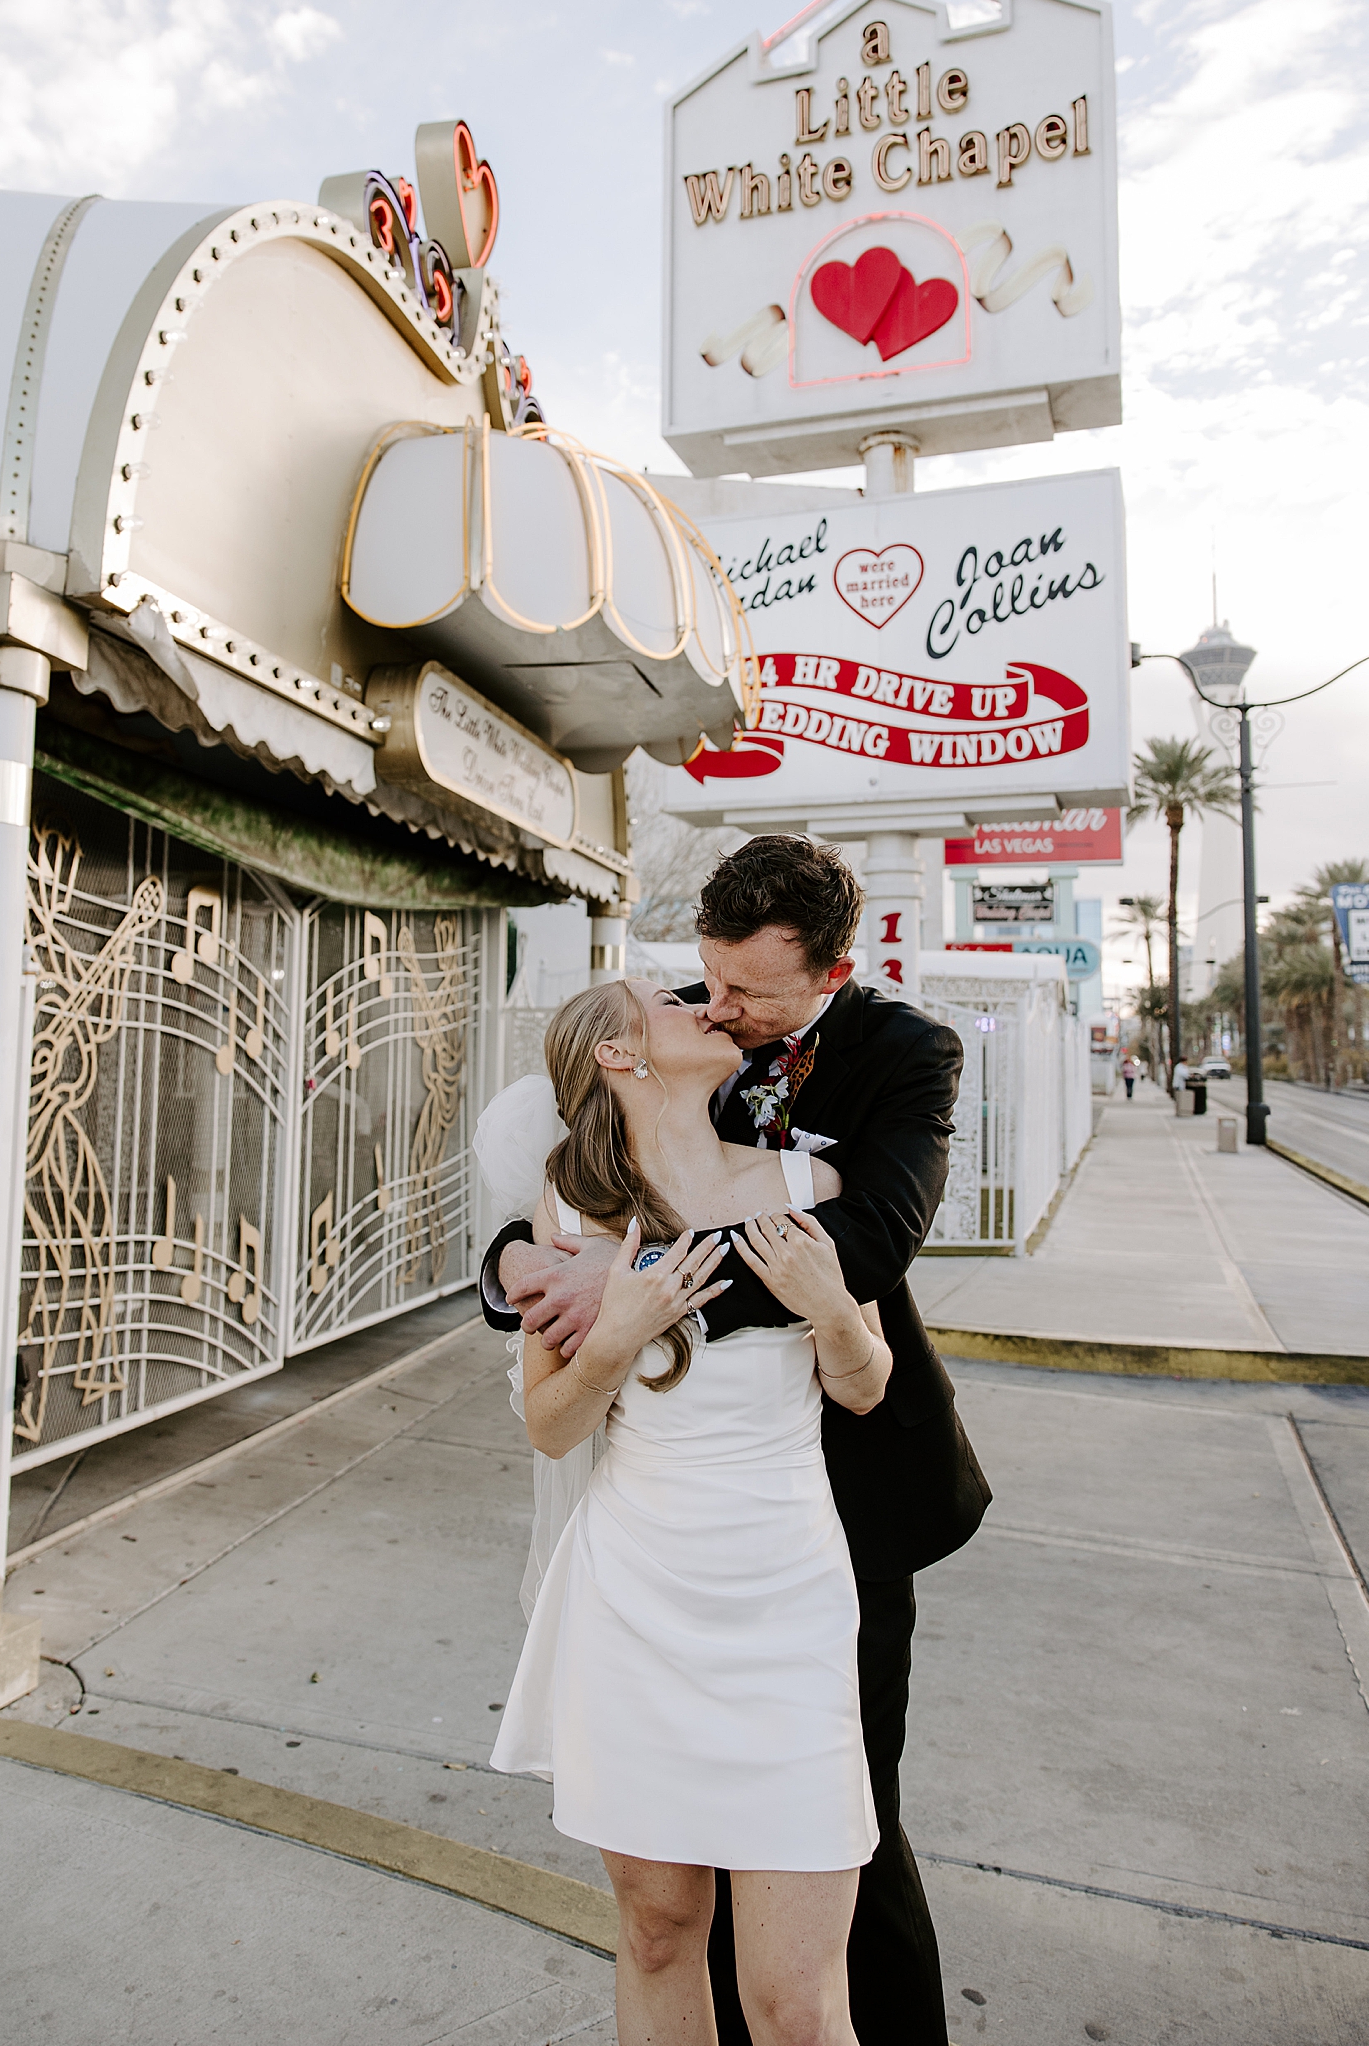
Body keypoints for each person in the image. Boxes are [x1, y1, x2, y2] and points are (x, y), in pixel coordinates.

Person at [481, 835, 991, 2044]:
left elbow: (871, 1248)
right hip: (644, 1571)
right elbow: (552, 1198)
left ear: (831, 971)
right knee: (663, 1921)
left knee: (847, 1842)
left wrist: (661, 1278)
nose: (718, 1008)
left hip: (826, 1520)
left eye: (746, 994)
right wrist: (528, 1270)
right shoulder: (642, 1119)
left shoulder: (898, 1063)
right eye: (702, 983)